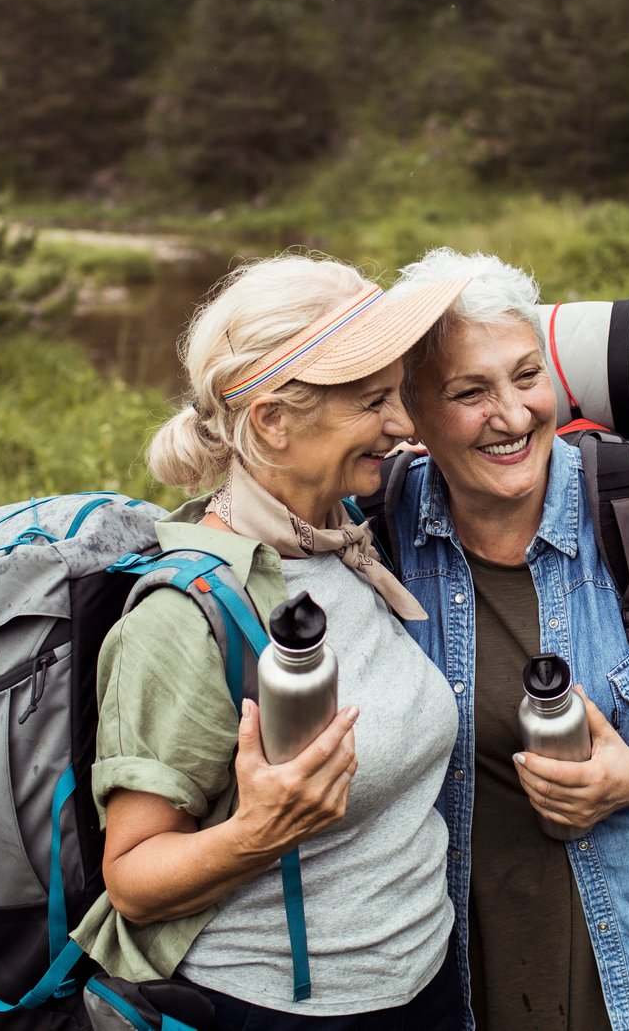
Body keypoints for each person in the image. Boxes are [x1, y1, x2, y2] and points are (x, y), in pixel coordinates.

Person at [382, 248, 629, 1031]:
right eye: (469, 392)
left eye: (526, 376)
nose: (511, 415)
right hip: (469, 977)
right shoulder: (384, 534)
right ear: (412, 416)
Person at [71, 253, 470, 1030]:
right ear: (272, 422)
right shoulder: (184, 617)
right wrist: (260, 833)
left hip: (419, 983)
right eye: (372, 401)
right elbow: (134, 879)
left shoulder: (340, 541)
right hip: (281, 1010)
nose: (402, 426)